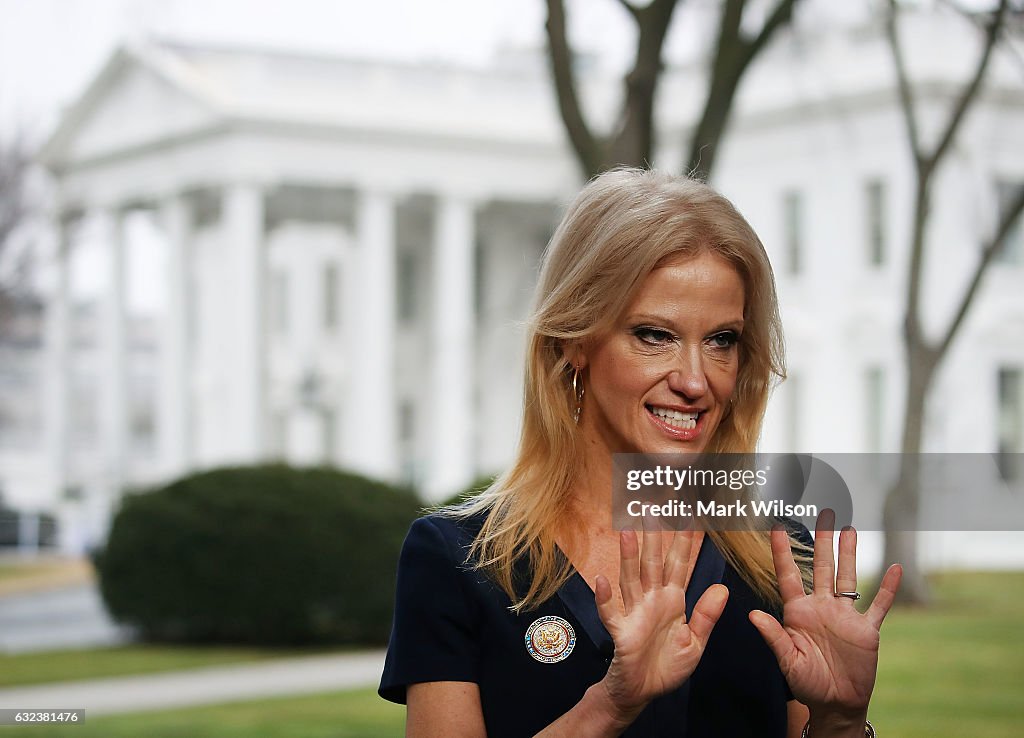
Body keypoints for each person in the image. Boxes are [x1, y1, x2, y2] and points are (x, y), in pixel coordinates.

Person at [379, 168, 902, 737]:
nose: (696, 381)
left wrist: (842, 721)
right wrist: (610, 705)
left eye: (722, 340)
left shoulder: (777, 555)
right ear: (574, 340)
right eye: (655, 335)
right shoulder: (459, 559)